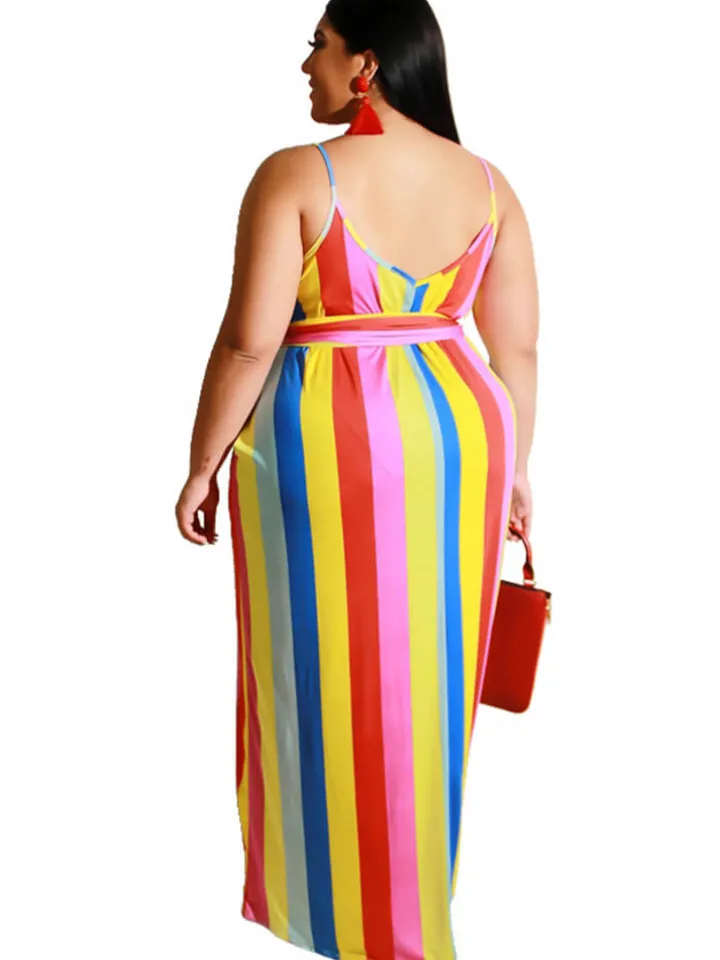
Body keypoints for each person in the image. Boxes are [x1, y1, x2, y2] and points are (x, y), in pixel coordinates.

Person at [175, 0, 538, 956]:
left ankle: (335, 908)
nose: (306, 66)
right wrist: (515, 471)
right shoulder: (488, 184)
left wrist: (202, 463)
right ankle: (412, 911)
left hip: (325, 437)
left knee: (316, 667)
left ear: (366, 64)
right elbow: (517, 349)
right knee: (428, 678)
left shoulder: (298, 174)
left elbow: (249, 342)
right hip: (460, 439)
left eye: (319, 46)